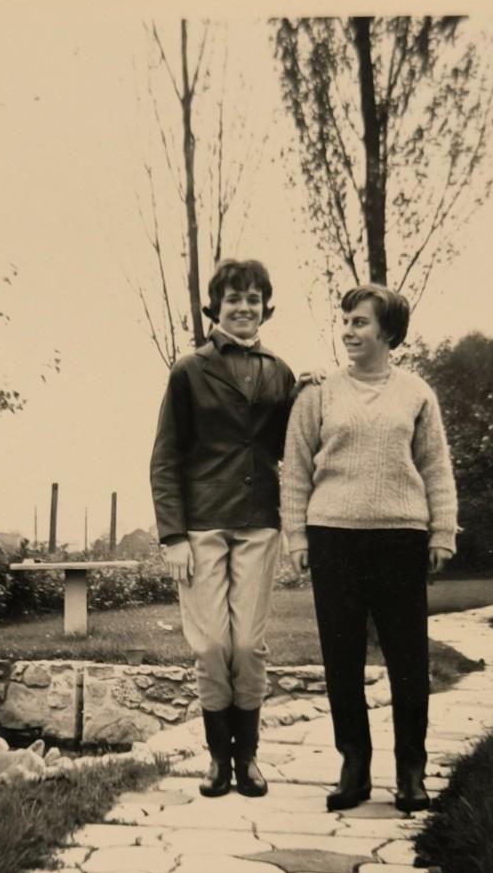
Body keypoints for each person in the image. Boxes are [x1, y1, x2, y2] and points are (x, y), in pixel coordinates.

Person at [281, 284, 457, 813]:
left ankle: (410, 771)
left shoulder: (417, 394)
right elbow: (294, 469)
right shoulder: (317, 394)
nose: (349, 331)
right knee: (342, 660)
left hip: (400, 539)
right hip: (333, 539)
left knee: (408, 659)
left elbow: (436, 467)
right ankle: (353, 767)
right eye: (347, 322)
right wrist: (297, 536)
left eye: (360, 323)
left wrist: (442, 531)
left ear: (389, 333)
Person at [149, 259, 295, 799]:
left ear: (265, 308)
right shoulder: (189, 371)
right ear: (216, 306)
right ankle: (217, 760)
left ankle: (249, 758)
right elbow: (165, 457)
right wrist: (173, 536)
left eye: (253, 299)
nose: (243, 307)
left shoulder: (280, 372)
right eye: (233, 298)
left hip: (260, 523)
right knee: (211, 645)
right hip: (202, 526)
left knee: (248, 646)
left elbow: (289, 448)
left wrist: (313, 396)